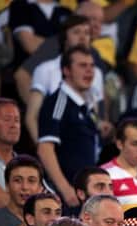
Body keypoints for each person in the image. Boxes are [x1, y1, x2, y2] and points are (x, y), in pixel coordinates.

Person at [37, 45, 100, 209]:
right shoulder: (59, 102)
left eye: (92, 66)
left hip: (84, 194)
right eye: (82, 65)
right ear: (66, 70)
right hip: (67, 196)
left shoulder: (86, 104)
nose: (89, 71)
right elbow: (45, 148)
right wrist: (65, 189)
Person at [25, 15, 104, 144]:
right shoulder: (46, 69)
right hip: (56, 144)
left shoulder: (97, 73)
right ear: (64, 38)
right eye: (76, 32)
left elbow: (93, 114)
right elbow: (31, 117)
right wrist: (43, 149)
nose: (83, 37)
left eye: (87, 33)